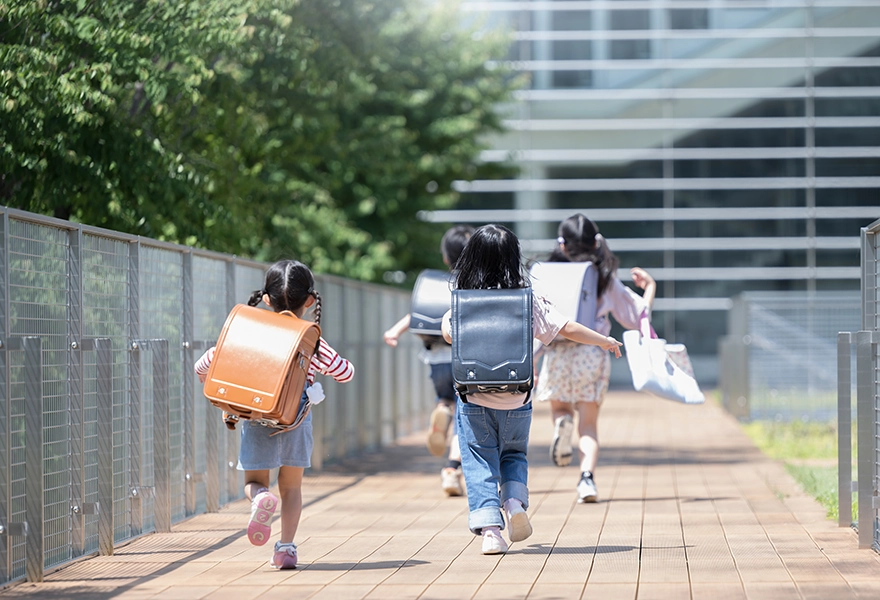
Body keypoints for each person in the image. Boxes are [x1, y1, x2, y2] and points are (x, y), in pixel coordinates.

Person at [440, 224, 623, 555]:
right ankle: (513, 503)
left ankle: (491, 531)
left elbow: (450, 334)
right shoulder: (528, 300)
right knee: (513, 455)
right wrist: (604, 340)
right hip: (517, 395)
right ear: (513, 258)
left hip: (473, 396)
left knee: (480, 458)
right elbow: (565, 327)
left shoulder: (463, 300)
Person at [194, 260, 354, 570]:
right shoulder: (311, 340)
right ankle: (286, 549)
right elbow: (345, 372)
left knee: (255, 481)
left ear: (266, 299)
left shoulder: (250, 330)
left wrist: (204, 374)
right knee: (292, 488)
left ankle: (259, 499)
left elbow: (206, 362)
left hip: (256, 416)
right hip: (295, 420)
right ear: (309, 301)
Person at [536, 213, 655, 504]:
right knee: (588, 425)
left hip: (557, 352)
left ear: (562, 245)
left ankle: (560, 425)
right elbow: (637, 316)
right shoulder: (604, 277)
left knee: (561, 410)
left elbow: (537, 322)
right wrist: (649, 287)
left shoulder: (544, 274)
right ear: (596, 243)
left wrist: (531, 361)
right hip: (593, 352)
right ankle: (586, 480)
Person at [383, 225, 473, 497]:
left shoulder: (437, 285)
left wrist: (394, 331)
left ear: (446, 258)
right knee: (465, 417)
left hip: (435, 359)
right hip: (464, 358)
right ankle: (451, 468)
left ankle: (441, 411)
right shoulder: (474, 287)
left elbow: (416, 314)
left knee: (445, 399)